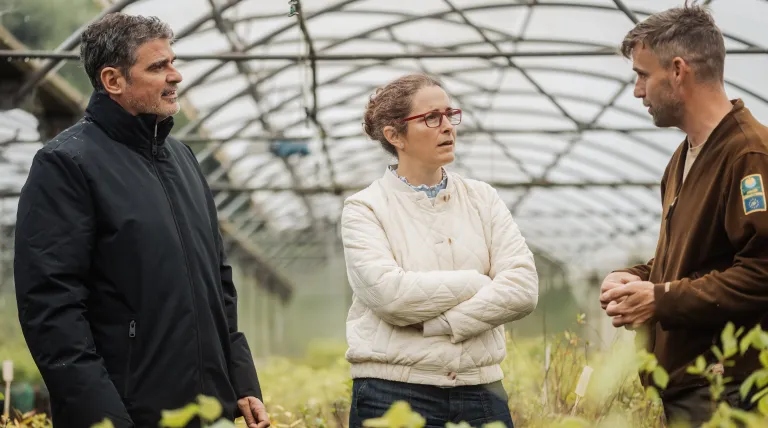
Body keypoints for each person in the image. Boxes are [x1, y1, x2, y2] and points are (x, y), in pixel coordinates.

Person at [13, 13, 269, 428]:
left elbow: (218, 285)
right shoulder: (67, 164)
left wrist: (241, 380)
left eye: (172, 61)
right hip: (132, 414)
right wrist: (103, 417)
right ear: (113, 80)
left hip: (208, 412)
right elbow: (51, 308)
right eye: (158, 67)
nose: (176, 75)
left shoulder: (184, 160)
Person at [598, 2, 768, 426]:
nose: (637, 91)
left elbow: (762, 271)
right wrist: (637, 278)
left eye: (642, 75)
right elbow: (697, 257)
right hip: (690, 384)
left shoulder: (749, 154)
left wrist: (660, 298)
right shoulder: (684, 158)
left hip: (730, 387)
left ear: (678, 70)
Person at [340, 73, 539, 428]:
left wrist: (443, 323)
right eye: (432, 117)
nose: (447, 127)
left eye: (450, 115)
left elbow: (523, 289)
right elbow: (390, 296)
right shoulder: (365, 208)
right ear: (394, 135)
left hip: (480, 390)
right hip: (391, 391)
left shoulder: (483, 199)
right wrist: (479, 283)